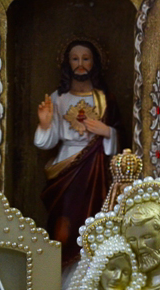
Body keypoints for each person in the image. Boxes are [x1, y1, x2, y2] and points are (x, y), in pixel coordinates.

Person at [35, 39, 119, 267]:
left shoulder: (104, 98)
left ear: (94, 63)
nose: (80, 64)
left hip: (95, 168)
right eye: (75, 58)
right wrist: (44, 124)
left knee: (92, 221)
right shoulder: (58, 98)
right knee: (62, 227)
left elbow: (120, 138)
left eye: (86, 58)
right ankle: (59, 272)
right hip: (66, 166)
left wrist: (107, 132)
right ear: (67, 63)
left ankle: (89, 271)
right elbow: (47, 141)